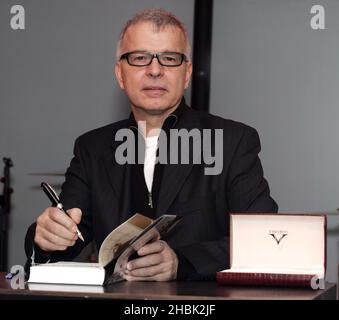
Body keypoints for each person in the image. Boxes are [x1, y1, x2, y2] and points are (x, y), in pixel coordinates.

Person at [24, 8, 278, 281]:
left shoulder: (233, 142)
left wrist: (184, 262)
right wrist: (46, 237)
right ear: (120, 74)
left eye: (169, 58)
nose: (155, 70)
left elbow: (264, 239)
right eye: (140, 58)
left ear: (188, 73)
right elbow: (68, 236)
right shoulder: (91, 149)